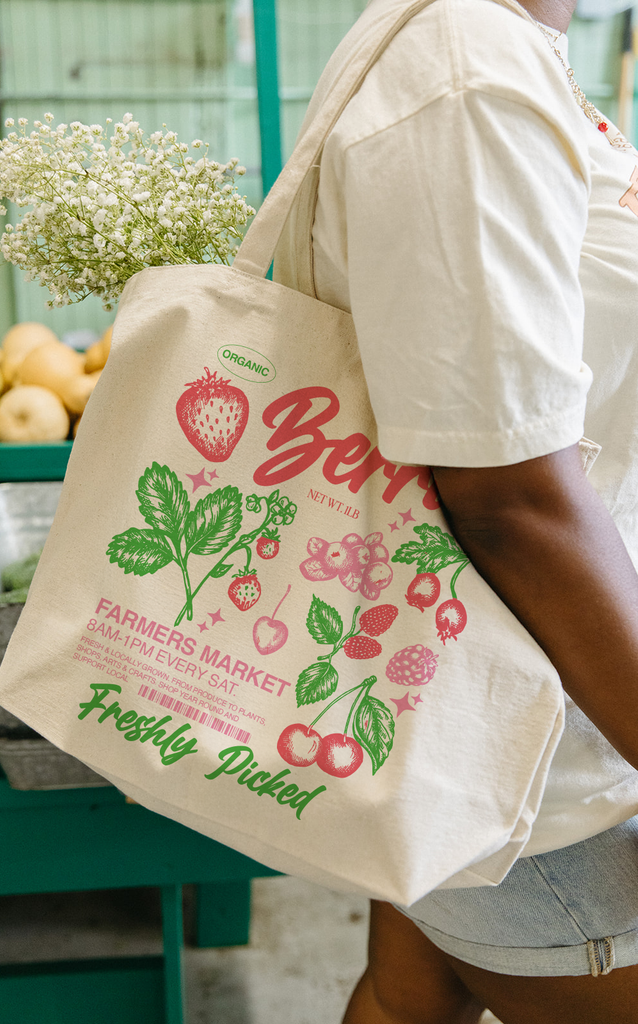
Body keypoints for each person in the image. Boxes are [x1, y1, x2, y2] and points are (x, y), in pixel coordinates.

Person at [274, 0, 638, 1020]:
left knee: (405, 1003)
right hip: (544, 753)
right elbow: (507, 501)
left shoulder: (507, 47)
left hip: (490, 691)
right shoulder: (464, 69)